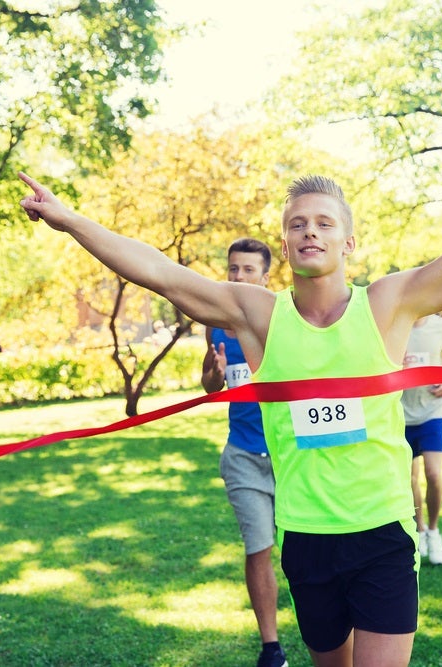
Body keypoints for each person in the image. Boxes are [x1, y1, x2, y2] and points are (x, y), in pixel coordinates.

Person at [18, 131, 442, 667]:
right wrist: (71, 219)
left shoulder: (387, 304)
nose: (309, 231)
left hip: (383, 532)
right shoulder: (255, 314)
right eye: (296, 224)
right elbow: (159, 273)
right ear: (284, 245)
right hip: (307, 537)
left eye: (323, 223)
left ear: (349, 243)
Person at [200, 237, 288, 667]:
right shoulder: (215, 323)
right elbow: (212, 386)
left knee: (306, 551)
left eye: (248, 270)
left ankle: (323, 631)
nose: (238, 277)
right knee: (258, 547)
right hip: (242, 456)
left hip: (289, 457)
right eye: (233, 269)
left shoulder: (281, 319)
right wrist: (210, 374)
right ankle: (271, 647)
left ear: (265, 277)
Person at [401, 314, 442, 565]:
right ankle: (419, 530)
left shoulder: (440, 326)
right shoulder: (396, 323)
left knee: (433, 473)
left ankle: (434, 531)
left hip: (432, 412)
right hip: (401, 413)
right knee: (409, 479)